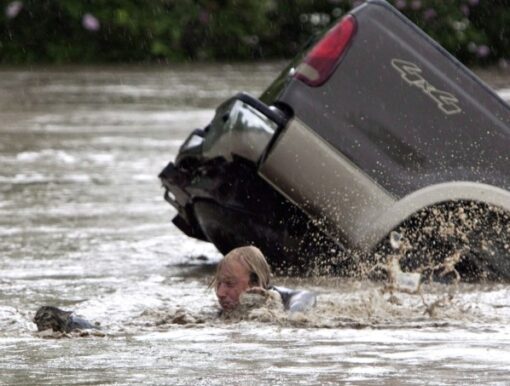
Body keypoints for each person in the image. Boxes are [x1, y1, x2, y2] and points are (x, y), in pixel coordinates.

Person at [211, 245, 316, 313]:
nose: (220, 293)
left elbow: (307, 297)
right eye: (219, 283)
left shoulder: (284, 299)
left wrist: (291, 314)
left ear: (255, 282)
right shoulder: (222, 312)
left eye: (230, 284)